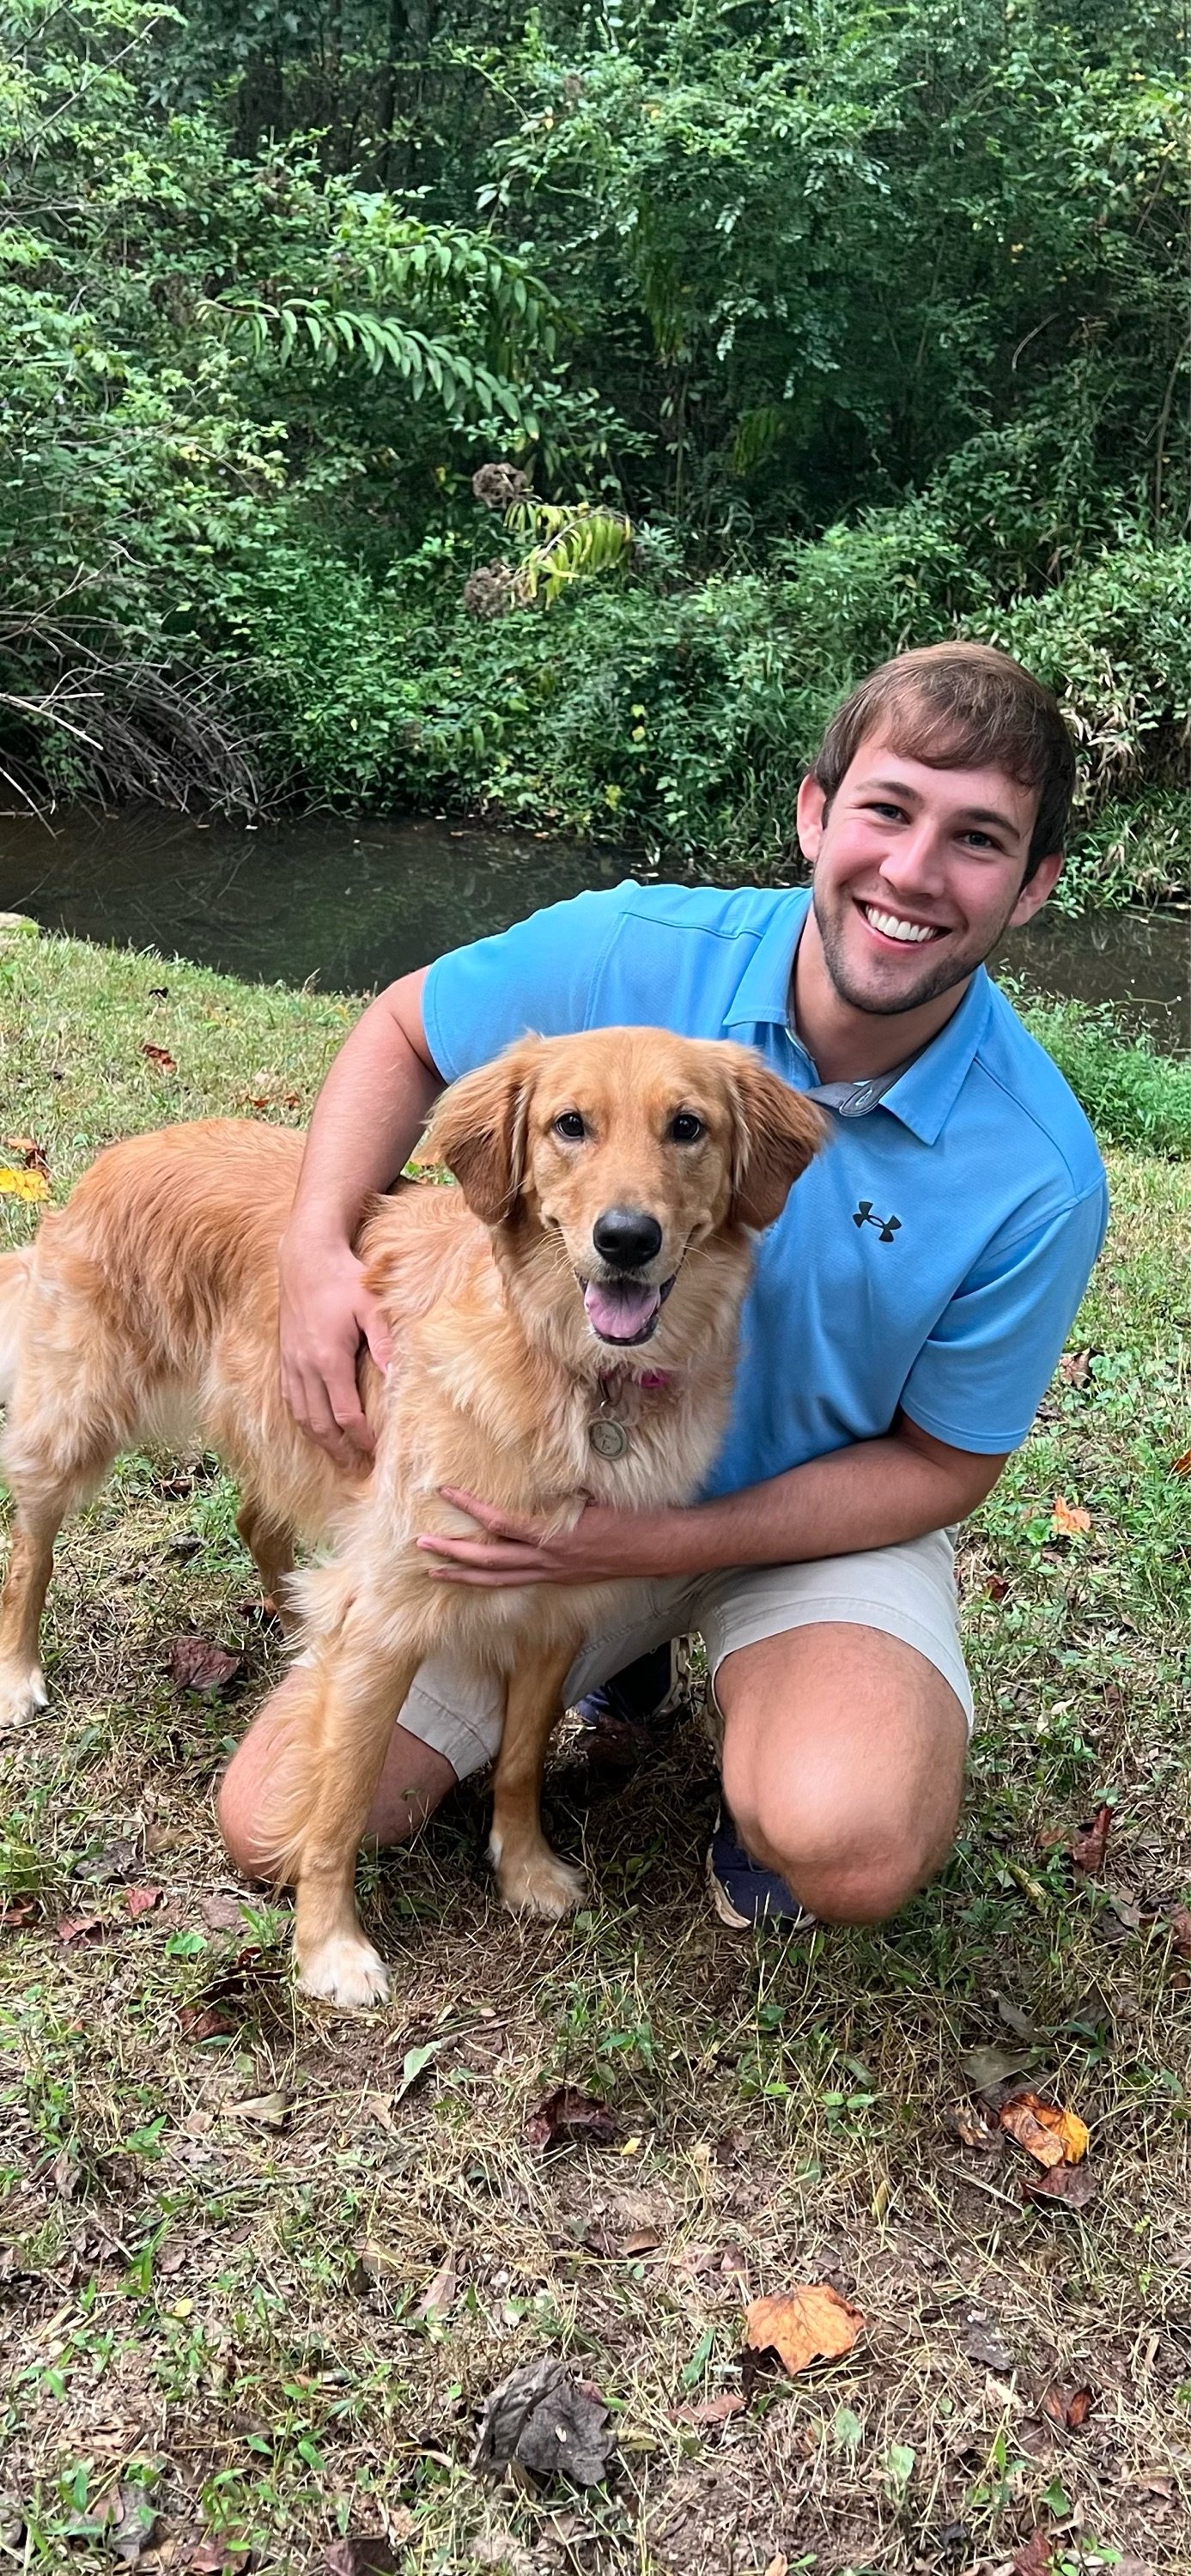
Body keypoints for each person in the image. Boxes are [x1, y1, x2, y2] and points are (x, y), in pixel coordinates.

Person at [218, 641, 1108, 1929]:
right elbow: (406, 1027)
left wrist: (658, 1544)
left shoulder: (1040, 1174)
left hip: (809, 1521)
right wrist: (316, 1247)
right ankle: (615, 1658)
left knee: (847, 1842)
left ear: (1035, 887)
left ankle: (750, 1717)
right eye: (888, 809)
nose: (912, 873)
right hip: (562, 1485)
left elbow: (946, 1465)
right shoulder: (631, 951)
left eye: (978, 840)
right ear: (816, 811)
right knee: (275, 1825)